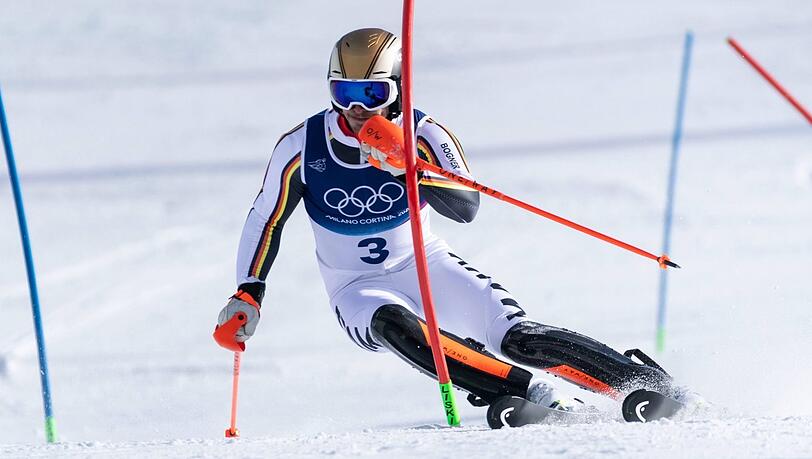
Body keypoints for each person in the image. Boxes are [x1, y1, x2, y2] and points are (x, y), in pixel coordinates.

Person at [216, 28, 679, 415]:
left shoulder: (425, 133)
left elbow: (467, 207)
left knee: (517, 337)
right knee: (393, 324)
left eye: (373, 92)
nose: (357, 108)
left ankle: (651, 386)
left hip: (426, 265)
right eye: (345, 93)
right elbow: (267, 219)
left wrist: (410, 169)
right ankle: (535, 395)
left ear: (398, 87)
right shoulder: (302, 145)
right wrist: (248, 292)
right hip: (355, 285)